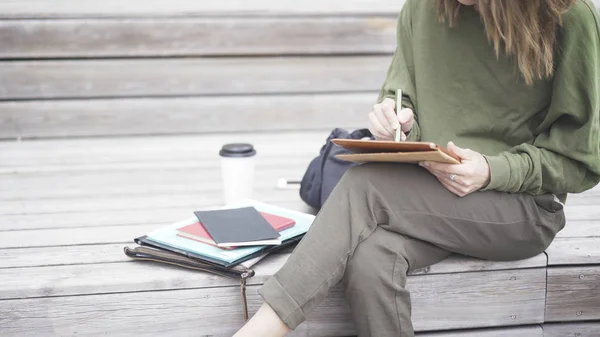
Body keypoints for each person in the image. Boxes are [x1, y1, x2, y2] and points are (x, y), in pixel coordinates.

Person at [234, 0, 600, 336]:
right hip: (432, 196)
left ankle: (263, 329)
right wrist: (397, 123)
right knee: (370, 258)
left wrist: (492, 171)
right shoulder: (423, 8)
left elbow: (579, 160)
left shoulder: (569, 17)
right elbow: (400, 97)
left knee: (366, 183)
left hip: (522, 209)